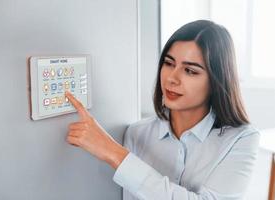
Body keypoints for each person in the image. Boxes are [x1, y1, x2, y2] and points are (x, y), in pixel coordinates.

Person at [65, 20, 260, 200]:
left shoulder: (241, 139)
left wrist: (113, 152)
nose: (172, 78)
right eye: (169, 63)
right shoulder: (136, 133)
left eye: (190, 71)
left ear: (216, 81)